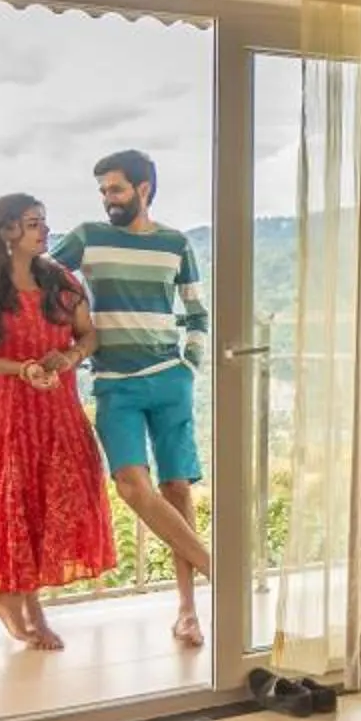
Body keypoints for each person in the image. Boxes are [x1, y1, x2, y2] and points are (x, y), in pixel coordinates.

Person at [51, 148, 214, 648]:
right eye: (103, 191)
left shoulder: (175, 243)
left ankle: (188, 611)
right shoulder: (87, 238)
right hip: (115, 384)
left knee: (177, 491)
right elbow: (39, 282)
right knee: (130, 486)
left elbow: (196, 313)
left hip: (170, 380)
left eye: (116, 189)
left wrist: (190, 366)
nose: (108, 200)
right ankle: (219, 570)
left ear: (143, 189)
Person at [0, 194, 116, 651]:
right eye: (32, 224)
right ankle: (19, 605)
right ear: (7, 231)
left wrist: (68, 356)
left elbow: (89, 334)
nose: (44, 231)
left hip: (56, 409)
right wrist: (20, 369)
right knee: (14, 505)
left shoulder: (60, 281)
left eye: (44, 222)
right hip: (4, 413)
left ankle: (21, 602)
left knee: (53, 500)